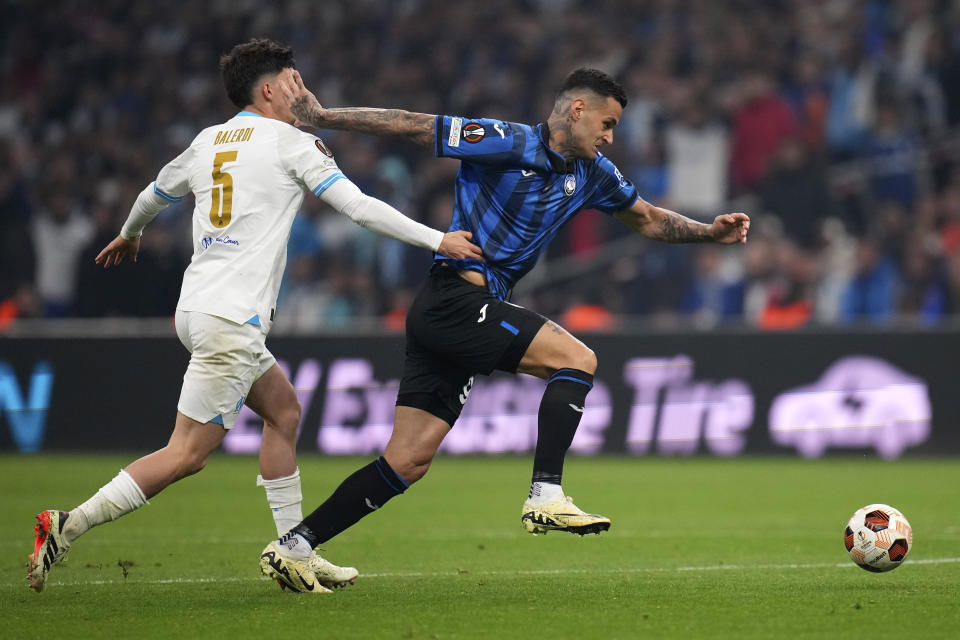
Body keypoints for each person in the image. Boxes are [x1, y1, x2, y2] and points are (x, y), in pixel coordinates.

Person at [257, 67, 750, 593]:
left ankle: (295, 547)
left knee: (408, 460)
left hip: (458, 311)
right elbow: (413, 125)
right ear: (577, 110)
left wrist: (709, 234)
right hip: (454, 299)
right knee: (577, 359)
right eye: (606, 123)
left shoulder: (594, 173)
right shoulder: (507, 141)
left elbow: (648, 218)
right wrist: (323, 117)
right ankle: (545, 495)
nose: (610, 137)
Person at [26, 38, 482, 594]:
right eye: (295, 81)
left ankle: (295, 549)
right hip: (232, 317)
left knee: (284, 411)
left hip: (196, 309)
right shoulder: (292, 143)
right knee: (186, 454)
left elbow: (152, 194)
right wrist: (439, 239)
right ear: (269, 89)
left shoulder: (206, 140)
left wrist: (129, 234)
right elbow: (358, 209)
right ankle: (67, 525)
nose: (304, 91)